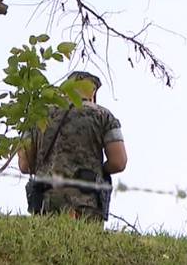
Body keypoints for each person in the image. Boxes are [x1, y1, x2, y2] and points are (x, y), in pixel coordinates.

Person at [18, 71, 127, 222]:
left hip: (45, 201)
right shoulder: (104, 116)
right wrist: (98, 170)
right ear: (93, 93)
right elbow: (118, 162)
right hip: (85, 203)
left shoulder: (38, 115)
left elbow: (25, 165)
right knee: (83, 245)